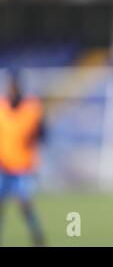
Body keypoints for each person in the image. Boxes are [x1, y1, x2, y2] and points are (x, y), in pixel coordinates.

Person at [0, 73, 45, 246]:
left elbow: (42, 133)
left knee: (24, 204)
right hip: (3, 166)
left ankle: (37, 236)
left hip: (23, 166)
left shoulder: (31, 109)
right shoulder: (1, 108)